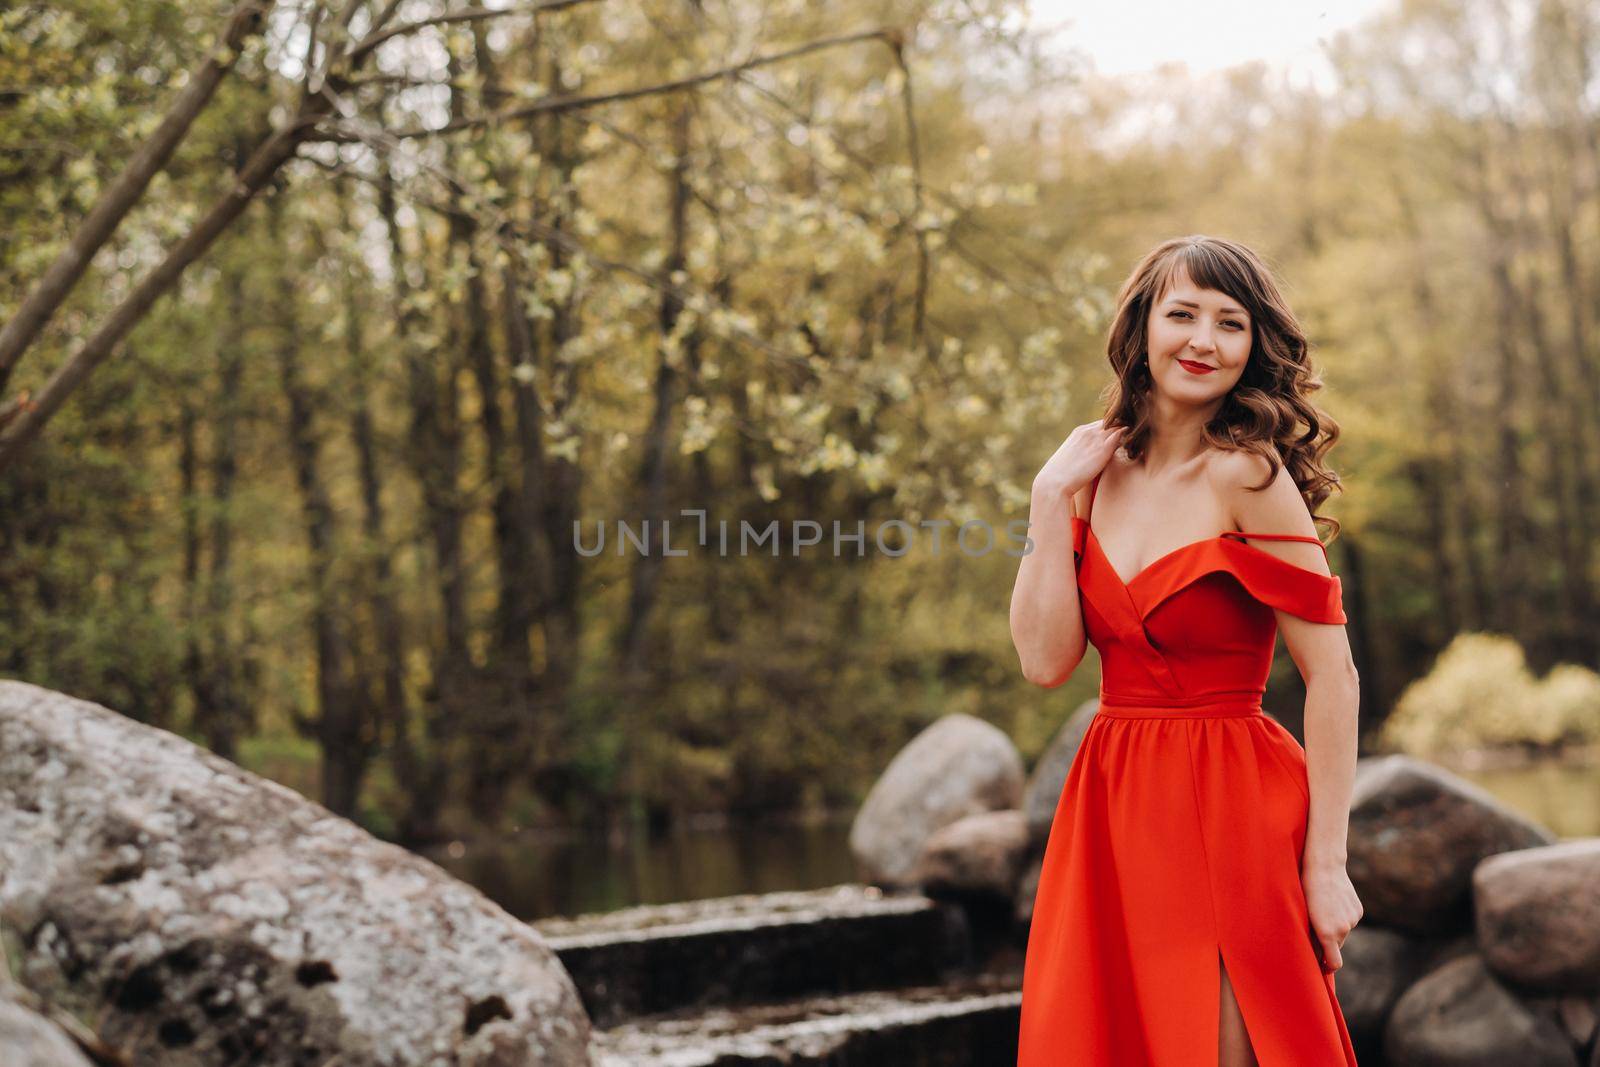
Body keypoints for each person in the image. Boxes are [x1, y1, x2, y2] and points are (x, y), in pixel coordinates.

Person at [1009, 234, 1363, 1066]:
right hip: (1111, 802)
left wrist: (1328, 862)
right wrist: (1047, 496)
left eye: (1230, 323)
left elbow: (1333, 675)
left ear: (1253, 347)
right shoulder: (1088, 471)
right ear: (1142, 327)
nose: (1204, 340)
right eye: (1183, 314)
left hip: (1232, 802)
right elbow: (1044, 660)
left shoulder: (1249, 475)